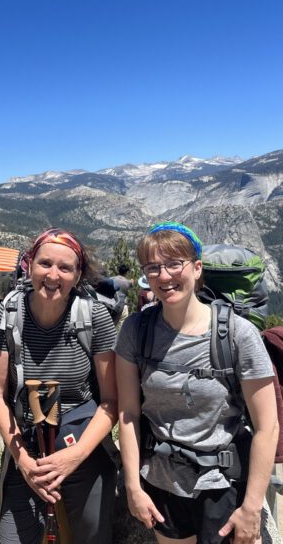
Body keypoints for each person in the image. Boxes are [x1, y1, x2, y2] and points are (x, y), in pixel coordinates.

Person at [115, 222, 278, 544]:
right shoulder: (136, 330)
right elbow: (129, 413)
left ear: (197, 267)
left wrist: (251, 507)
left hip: (224, 487)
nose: (164, 276)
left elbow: (267, 427)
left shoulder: (237, 333)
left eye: (175, 264)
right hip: (162, 485)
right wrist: (133, 486)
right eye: (153, 267)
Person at [0, 228, 118, 543]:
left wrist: (75, 456)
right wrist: (24, 462)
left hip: (83, 447)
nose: (53, 275)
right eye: (45, 264)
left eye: (65, 267)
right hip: (28, 447)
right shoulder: (6, 316)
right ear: (30, 265)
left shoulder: (93, 317)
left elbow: (112, 400)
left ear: (78, 274)